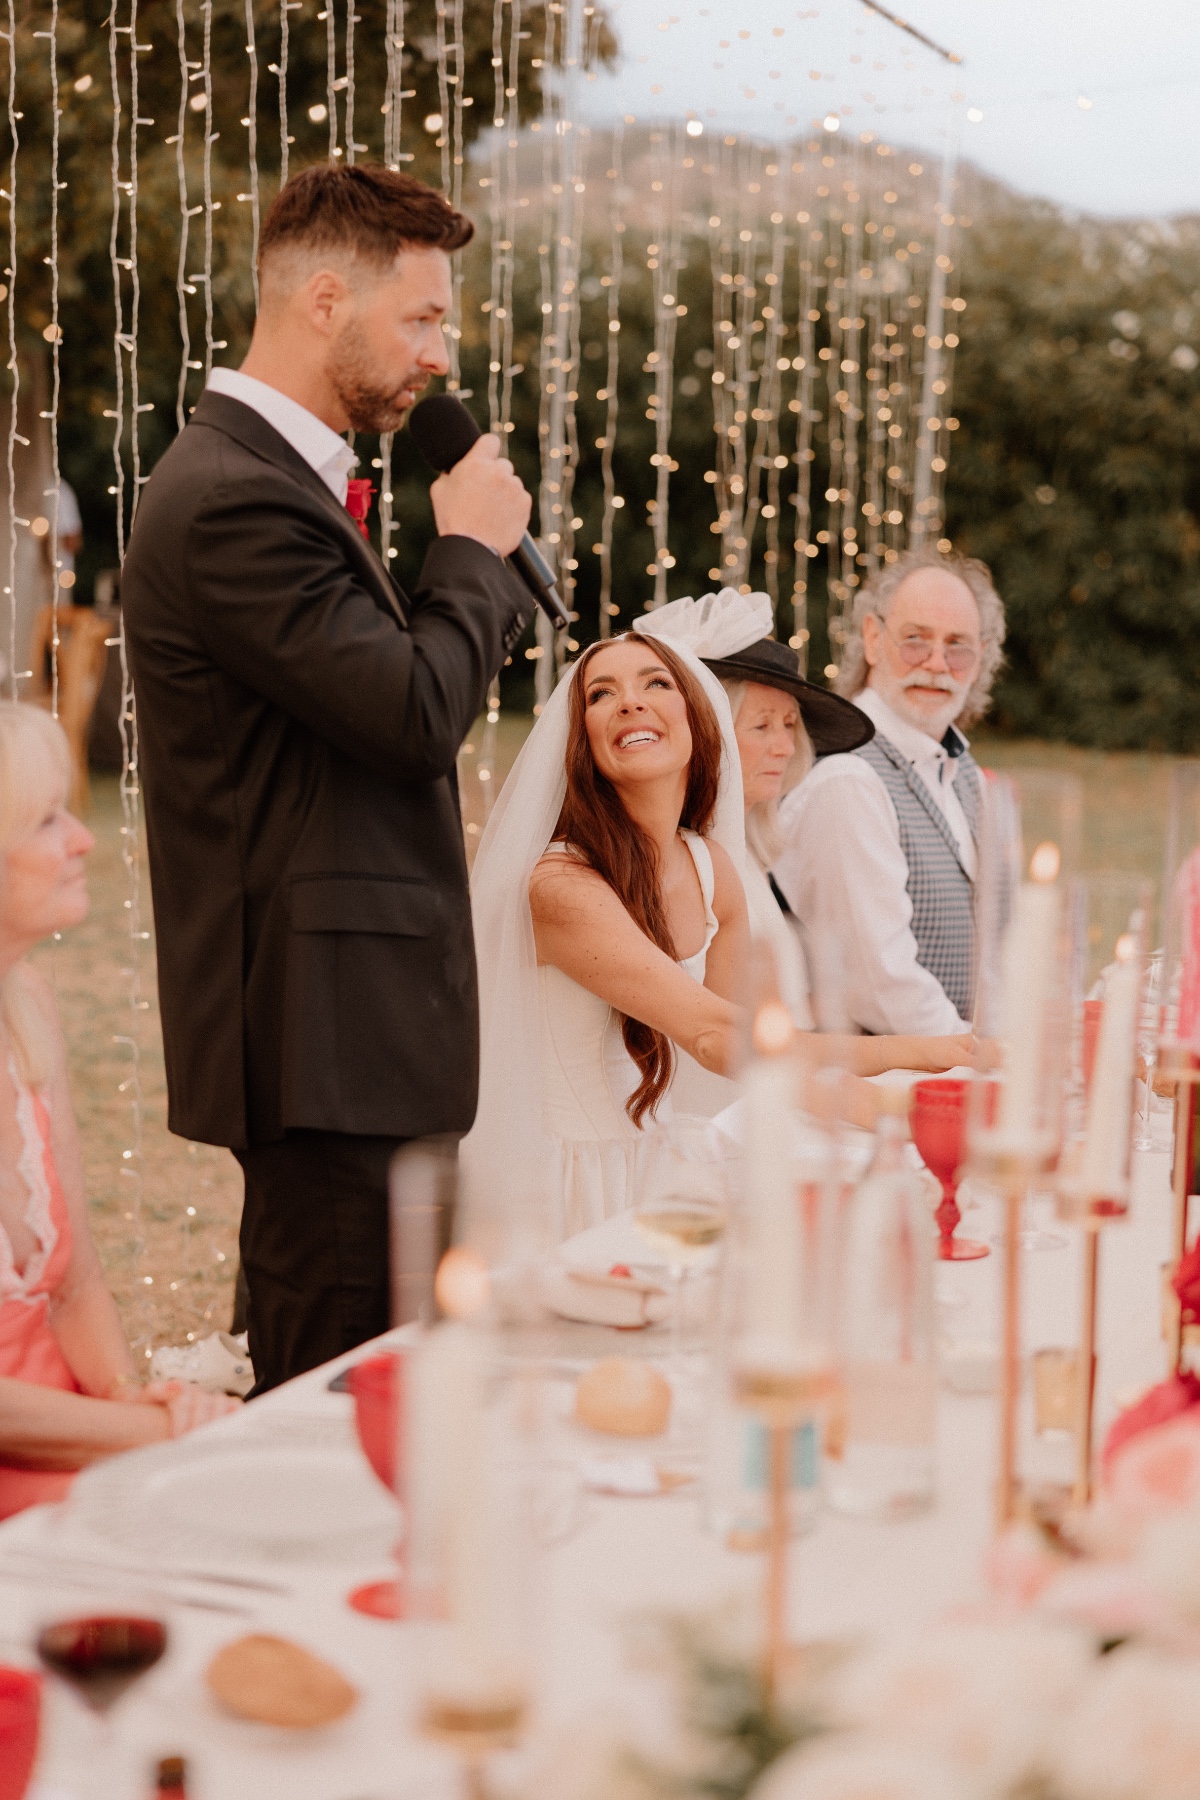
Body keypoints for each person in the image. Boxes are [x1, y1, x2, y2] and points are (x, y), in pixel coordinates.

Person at [121, 164, 536, 1392]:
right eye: (421, 318)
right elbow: (411, 713)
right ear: (321, 300)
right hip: (321, 1045)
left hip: (355, 1038)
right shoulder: (229, 499)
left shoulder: (280, 481)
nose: (438, 355)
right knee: (336, 1406)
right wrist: (470, 552)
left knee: (378, 1392)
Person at [0, 704, 237, 1520]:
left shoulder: (24, 1004)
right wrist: (151, 1433)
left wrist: (134, 1397)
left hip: (71, 1433)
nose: (83, 839)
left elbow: (76, 1285)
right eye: (46, 821)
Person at [461, 593, 753, 1244]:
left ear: (697, 718)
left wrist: (891, 1092)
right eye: (601, 694)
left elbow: (741, 1049)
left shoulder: (711, 870)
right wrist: (905, 1059)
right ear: (581, 740)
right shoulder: (560, 883)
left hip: (659, 1166)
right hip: (567, 1185)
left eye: (656, 682)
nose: (630, 701)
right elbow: (709, 1033)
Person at [774, 549, 1006, 1037]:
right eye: (915, 640)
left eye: (958, 645)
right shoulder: (847, 779)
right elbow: (877, 989)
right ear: (874, 640)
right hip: (871, 1087)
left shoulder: (964, 775)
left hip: (952, 1070)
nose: (937, 664)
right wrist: (982, 1064)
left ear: (981, 656)